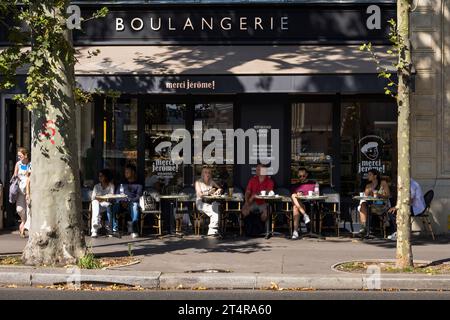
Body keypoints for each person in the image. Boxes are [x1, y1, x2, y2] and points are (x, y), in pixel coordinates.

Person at [110, 164, 143, 238]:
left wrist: (128, 201)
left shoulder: (138, 184)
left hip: (131, 203)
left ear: (133, 173)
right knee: (110, 207)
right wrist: (121, 201)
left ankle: (134, 230)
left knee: (135, 206)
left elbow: (138, 197)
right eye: (125, 172)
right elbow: (116, 195)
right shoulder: (122, 183)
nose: (126, 173)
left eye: (128, 172)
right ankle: (114, 230)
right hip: (120, 204)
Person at [358, 169, 391, 235]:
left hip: (382, 203)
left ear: (375, 176)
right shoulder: (368, 185)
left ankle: (385, 221)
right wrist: (368, 191)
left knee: (368, 205)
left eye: (370, 175)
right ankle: (363, 227)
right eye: (368, 175)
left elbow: (388, 195)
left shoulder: (383, 183)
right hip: (372, 203)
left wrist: (379, 195)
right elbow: (366, 197)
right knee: (363, 204)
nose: (368, 176)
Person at [195, 166, 222, 236]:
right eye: (205, 172)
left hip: (210, 202)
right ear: (202, 174)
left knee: (216, 205)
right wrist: (208, 193)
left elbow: (219, 188)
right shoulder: (198, 182)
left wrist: (218, 191)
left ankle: (212, 230)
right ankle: (213, 229)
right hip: (201, 203)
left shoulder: (211, 182)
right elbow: (200, 194)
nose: (207, 174)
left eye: (209, 172)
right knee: (214, 209)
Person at [290, 168, 314, 239]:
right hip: (299, 204)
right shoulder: (296, 185)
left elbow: (315, 194)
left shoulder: (312, 184)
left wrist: (303, 195)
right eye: (300, 176)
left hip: (308, 204)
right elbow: (293, 198)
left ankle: (295, 232)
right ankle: (305, 215)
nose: (302, 178)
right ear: (298, 175)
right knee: (293, 196)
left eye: (303, 176)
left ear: (306, 175)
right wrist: (297, 194)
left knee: (295, 207)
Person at [90, 169, 115, 238]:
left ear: (106, 177)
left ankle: (95, 227)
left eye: (101, 176)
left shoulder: (111, 186)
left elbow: (111, 197)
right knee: (95, 202)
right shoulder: (96, 186)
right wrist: (101, 199)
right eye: (99, 176)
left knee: (97, 203)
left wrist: (100, 198)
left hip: (106, 204)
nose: (100, 177)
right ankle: (95, 229)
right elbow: (93, 197)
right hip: (98, 205)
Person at [13, 147, 31, 238]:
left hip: (29, 191)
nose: (19, 157)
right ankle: (23, 221)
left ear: (25, 155)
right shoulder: (18, 164)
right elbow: (15, 175)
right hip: (20, 191)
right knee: (20, 209)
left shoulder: (31, 164)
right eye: (18, 156)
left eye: (20, 155)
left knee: (29, 209)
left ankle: (24, 227)